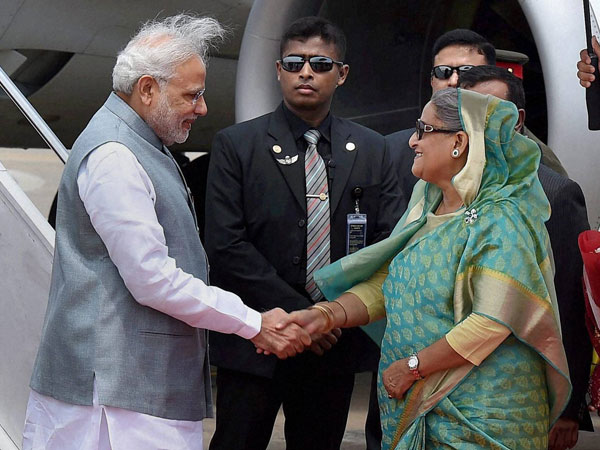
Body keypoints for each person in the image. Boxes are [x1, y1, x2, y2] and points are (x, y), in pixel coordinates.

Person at [22, 14, 310, 450]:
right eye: (191, 95)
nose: (202, 108)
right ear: (147, 90)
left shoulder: (138, 143)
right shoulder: (115, 156)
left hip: (133, 392)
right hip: (119, 399)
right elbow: (153, 279)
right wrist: (253, 323)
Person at [276, 87, 571, 449]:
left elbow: (492, 321)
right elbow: (390, 281)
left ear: (458, 142)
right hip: (423, 401)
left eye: (424, 129)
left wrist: (414, 367)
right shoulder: (426, 208)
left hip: (481, 414)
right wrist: (325, 315)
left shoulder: (501, 219)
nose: (412, 141)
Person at [205, 16, 404, 450]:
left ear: (342, 73)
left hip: (332, 348)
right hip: (258, 337)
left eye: (320, 64)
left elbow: (387, 242)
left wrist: (331, 315)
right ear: (279, 70)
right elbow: (225, 244)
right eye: (294, 63)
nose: (306, 73)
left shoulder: (373, 149)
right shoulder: (236, 145)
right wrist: (306, 316)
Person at [459, 65, 593, 450]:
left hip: (523, 390)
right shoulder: (443, 186)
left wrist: (568, 408)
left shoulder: (555, 193)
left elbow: (571, 305)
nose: (478, 124)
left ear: (517, 120)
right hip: (450, 383)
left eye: (491, 111)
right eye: (468, 113)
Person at [388, 29, 566, 205]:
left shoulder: (537, 166)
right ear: (431, 80)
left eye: (467, 72)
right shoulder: (393, 152)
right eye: (443, 72)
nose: (454, 81)